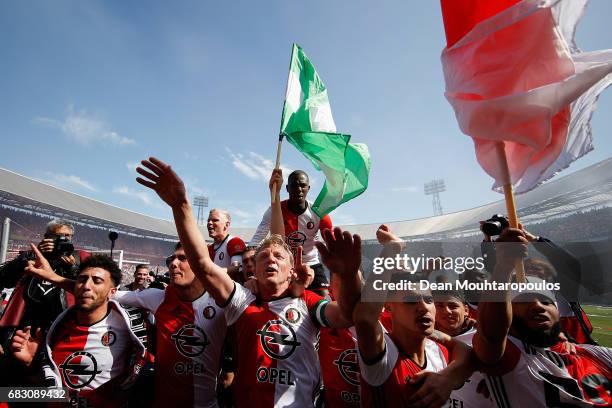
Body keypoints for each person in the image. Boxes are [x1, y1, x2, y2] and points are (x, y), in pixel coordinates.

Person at [135, 157, 362, 407]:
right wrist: (181, 206)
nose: (270, 259)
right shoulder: (242, 300)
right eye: (263, 256)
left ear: (292, 270)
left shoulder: (308, 303)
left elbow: (347, 315)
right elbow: (202, 264)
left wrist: (350, 275)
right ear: (255, 270)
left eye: (278, 256)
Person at [24, 241, 227, 408]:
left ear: (203, 263)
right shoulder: (157, 298)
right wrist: (54, 277)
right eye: (171, 259)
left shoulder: (225, 301)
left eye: (182, 258)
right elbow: (99, 292)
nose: (173, 263)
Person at [472, 227, 612, 407]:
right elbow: (492, 331)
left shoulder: (598, 355)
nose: (537, 304)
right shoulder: (509, 357)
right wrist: (504, 265)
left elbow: (570, 265)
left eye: (546, 301)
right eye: (524, 300)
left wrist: (536, 240)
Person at [353, 226, 475, 408]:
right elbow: (365, 318)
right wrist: (390, 251)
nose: (423, 307)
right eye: (411, 301)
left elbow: (466, 351)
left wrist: (447, 378)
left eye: (429, 300)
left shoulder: (438, 350)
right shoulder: (383, 354)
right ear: (388, 307)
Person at [11, 248, 148, 407]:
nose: (86, 286)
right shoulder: (52, 331)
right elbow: (50, 394)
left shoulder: (132, 327)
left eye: (97, 281)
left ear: (112, 292)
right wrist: (31, 365)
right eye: (82, 279)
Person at [250, 169, 333, 296]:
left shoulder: (319, 213)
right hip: (284, 265)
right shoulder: (275, 210)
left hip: (311, 264)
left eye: (303, 185)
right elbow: (255, 241)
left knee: (323, 297)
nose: (299, 189)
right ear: (287, 188)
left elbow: (332, 245)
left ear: (308, 188)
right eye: (294, 185)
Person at [207, 209, 246, 276]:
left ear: (227, 225)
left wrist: (211, 273)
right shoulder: (208, 248)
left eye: (215, 220)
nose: (209, 223)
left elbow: (237, 268)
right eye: (208, 220)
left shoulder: (234, 241)